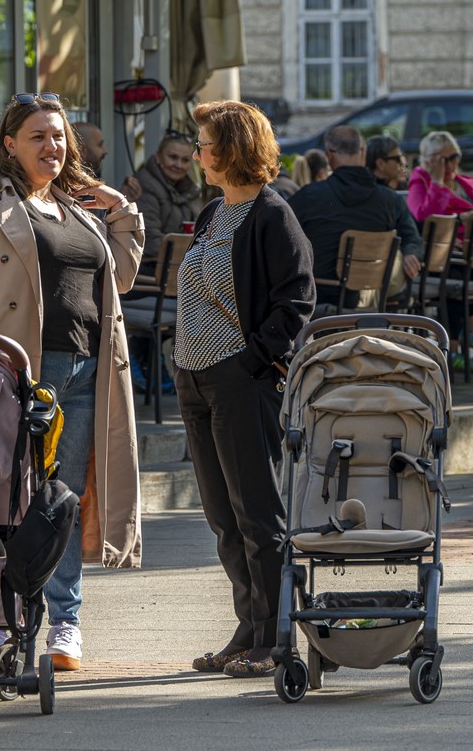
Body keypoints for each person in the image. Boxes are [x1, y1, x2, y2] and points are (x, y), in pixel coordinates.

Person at [0, 92, 145, 671]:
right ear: (8, 144)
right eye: (38, 137)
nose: (52, 147)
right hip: (16, 377)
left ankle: (64, 625)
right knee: (6, 503)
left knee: (60, 506)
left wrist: (121, 210)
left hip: (84, 376)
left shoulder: (75, 209)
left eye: (59, 136)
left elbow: (119, 276)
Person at [177, 100, 315, 678]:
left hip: (239, 378)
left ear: (231, 149)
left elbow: (297, 300)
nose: (196, 153)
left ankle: (275, 633)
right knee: (222, 516)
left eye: (205, 144)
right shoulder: (214, 212)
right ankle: (250, 622)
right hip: (194, 376)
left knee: (259, 514)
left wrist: (254, 361)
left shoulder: (271, 215)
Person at [288, 125, 422, 313]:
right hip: (366, 299)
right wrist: (410, 252)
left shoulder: (307, 197)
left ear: (329, 154)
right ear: (363, 151)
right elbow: (412, 236)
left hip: (313, 297)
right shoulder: (391, 201)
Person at [407, 130, 473, 369]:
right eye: (447, 159)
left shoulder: (464, 182)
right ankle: (460, 342)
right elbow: (423, 217)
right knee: (453, 276)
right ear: (431, 160)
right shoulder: (420, 180)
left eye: (456, 156)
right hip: (439, 257)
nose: (454, 163)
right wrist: (438, 183)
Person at [133, 131, 203, 259]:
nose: (178, 165)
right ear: (158, 157)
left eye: (185, 160)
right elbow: (149, 241)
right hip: (151, 267)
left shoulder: (191, 190)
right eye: (173, 157)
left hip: (179, 262)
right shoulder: (143, 186)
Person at [72, 120, 142, 202]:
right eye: (100, 145)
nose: (105, 151)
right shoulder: (74, 189)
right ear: (81, 151)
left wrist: (121, 198)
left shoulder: (84, 186)